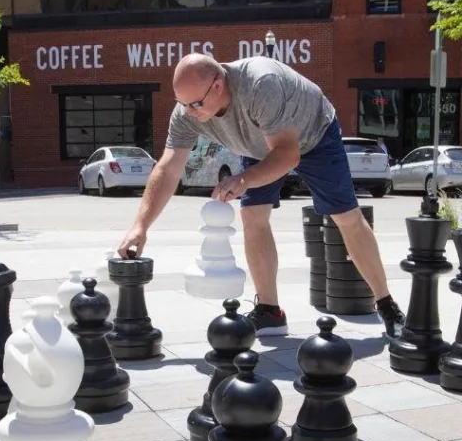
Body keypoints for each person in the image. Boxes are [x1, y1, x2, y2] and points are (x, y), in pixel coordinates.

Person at [117, 53, 406, 339]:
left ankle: (386, 303)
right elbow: (168, 168)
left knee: (346, 217)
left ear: (218, 85)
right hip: (258, 147)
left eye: (195, 104)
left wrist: (243, 179)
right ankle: (270, 311)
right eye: (183, 104)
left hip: (313, 135)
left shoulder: (260, 84)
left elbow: (287, 154)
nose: (190, 111)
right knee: (252, 214)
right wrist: (140, 226)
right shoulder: (188, 112)